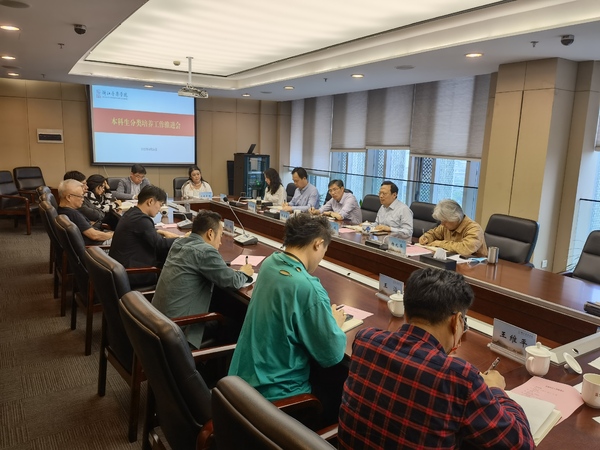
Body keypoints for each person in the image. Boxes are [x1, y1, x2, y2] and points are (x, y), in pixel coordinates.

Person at [338, 267, 534, 449]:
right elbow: (521, 444)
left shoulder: (366, 340)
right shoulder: (460, 377)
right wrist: (496, 390)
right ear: (456, 321)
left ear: (406, 311)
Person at [229, 214, 347, 425]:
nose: (321, 258)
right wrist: (335, 325)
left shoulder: (270, 263)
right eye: (324, 251)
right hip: (277, 398)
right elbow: (332, 354)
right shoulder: (307, 287)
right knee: (340, 392)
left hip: (241, 384)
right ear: (318, 243)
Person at [152, 210, 253, 349]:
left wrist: (222, 267)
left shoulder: (179, 242)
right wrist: (244, 272)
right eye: (220, 235)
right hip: (180, 329)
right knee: (235, 326)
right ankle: (214, 362)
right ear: (210, 233)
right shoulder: (205, 251)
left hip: (159, 322)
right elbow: (233, 281)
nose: (220, 242)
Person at [109, 185, 180, 288]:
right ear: (150, 201)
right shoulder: (141, 220)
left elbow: (144, 231)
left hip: (123, 268)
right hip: (133, 273)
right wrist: (183, 239)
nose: (160, 209)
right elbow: (160, 244)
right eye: (160, 204)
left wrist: (162, 232)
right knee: (175, 263)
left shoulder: (132, 213)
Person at [419, 198, 488, 257]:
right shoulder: (445, 226)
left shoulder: (474, 228)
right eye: (441, 221)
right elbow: (433, 234)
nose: (442, 224)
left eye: (445, 221)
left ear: (456, 218)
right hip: (452, 261)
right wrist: (427, 238)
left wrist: (440, 244)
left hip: (475, 265)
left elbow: (465, 249)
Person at [57, 179, 113, 246]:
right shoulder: (73, 214)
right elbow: (95, 235)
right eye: (81, 196)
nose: (83, 199)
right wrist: (113, 235)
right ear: (69, 197)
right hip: (97, 247)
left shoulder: (62, 210)